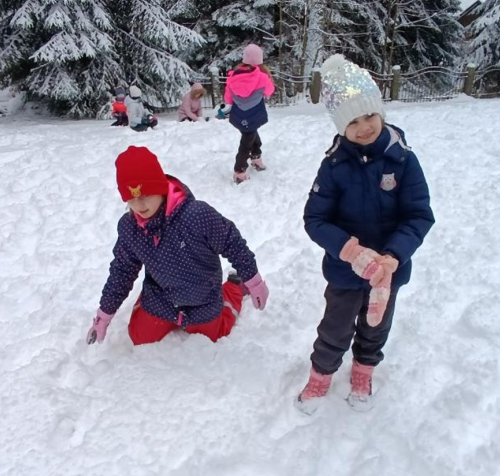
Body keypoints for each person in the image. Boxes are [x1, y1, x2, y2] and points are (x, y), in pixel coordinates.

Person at [296, 54, 435, 413]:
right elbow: (315, 218)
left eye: (369, 115)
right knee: (335, 327)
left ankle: (363, 370)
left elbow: (419, 214)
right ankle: (321, 374)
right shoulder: (334, 166)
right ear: (341, 125)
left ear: (380, 111)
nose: (364, 127)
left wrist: (394, 255)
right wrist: (348, 250)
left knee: (376, 326)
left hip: (387, 274)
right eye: (353, 120)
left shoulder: (403, 160)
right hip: (346, 271)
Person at [86, 145, 269, 346]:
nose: (139, 205)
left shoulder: (196, 215)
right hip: (161, 300)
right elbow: (122, 272)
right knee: (139, 336)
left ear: (159, 188)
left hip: (202, 298)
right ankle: (147, 302)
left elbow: (232, 243)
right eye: (131, 199)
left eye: (145, 195)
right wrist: (104, 316)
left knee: (216, 333)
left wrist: (254, 281)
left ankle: (234, 285)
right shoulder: (130, 228)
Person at [224, 44, 275, 184]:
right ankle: (239, 172)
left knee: (251, 135)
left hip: (239, 116)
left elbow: (227, 99)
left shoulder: (233, 76)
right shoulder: (262, 77)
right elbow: (270, 91)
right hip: (254, 115)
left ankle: (256, 158)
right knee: (246, 144)